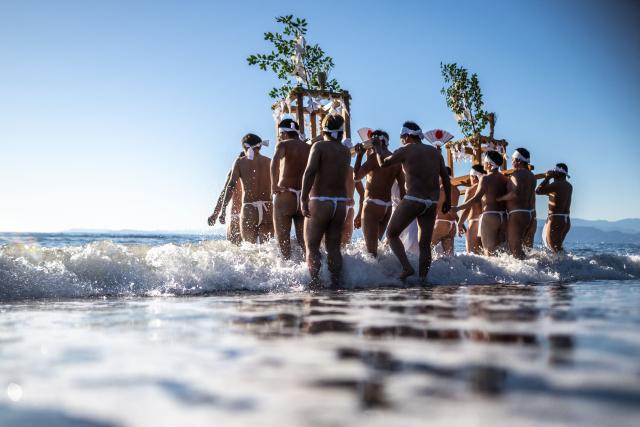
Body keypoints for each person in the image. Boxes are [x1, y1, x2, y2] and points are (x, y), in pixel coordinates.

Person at [373, 121, 451, 281]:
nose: (401, 139)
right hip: (431, 203)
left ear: (407, 136)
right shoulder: (435, 153)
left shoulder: (405, 150)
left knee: (392, 234)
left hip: (413, 199)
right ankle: (423, 280)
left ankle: (407, 267)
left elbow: (383, 163)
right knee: (424, 245)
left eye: (402, 137)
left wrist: (377, 148)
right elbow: (445, 178)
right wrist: (448, 200)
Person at [301, 114, 352, 288]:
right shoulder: (346, 151)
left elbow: (309, 172)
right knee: (334, 248)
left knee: (312, 246)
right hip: (339, 203)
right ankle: (337, 283)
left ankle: (316, 283)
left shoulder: (319, 146)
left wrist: (303, 198)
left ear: (323, 129)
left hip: (321, 200)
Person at [353, 130, 405, 256]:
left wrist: (359, 156)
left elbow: (356, 177)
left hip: (372, 205)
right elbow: (403, 190)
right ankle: (385, 274)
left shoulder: (373, 159)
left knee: (371, 252)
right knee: (377, 246)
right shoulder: (396, 160)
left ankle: (372, 275)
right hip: (387, 208)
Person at [219, 133, 274, 244]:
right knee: (268, 249)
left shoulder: (240, 162)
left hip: (249, 209)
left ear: (245, 146)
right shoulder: (270, 161)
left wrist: (223, 210)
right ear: (260, 146)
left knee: (249, 249)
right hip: (268, 208)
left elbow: (230, 186)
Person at [454, 150, 508, 256]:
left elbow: (476, 199)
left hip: (489, 216)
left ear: (489, 163)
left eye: (484, 161)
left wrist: (457, 208)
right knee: (501, 253)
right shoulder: (505, 179)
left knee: (487, 253)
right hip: (504, 217)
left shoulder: (485, 178)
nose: (483, 163)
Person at [270, 119, 310, 259]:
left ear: (284, 133)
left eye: (280, 134)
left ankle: (287, 274)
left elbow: (274, 162)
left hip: (285, 194)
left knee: (283, 241)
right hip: (303, 197)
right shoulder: (308, 148)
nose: (279, 137)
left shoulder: (283, 144)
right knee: (304, 241)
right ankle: (312, 275)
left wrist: (273, 185)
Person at [498, 148, 537, 259]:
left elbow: (515, 193)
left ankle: (529, 273)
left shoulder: (517, 174)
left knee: (515, 249)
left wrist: (499, 199)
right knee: (523, 248)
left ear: (519, 161)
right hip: (529, 214)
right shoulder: (532, 176)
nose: (512, 162)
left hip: (518, 213)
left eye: (513, 160)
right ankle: (533, 269)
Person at [207, 152, 245, 245]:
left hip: (236, 216)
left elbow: (225, 192)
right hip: (253, 214)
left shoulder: (235, 171)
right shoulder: (256, 171)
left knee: (235, 249)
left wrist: (216, 213)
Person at [536, 163, 573, 252]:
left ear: (558, 173)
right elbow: (547, 192)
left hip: (556, 220)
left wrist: (547, 177)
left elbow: (538, 191)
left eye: (554, 172)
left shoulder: (557, 184)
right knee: (557, 250)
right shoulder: (568, 185)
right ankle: (570, 264)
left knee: (555, 251)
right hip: (565, 220)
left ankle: (569, 265)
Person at [431, 167, 460, 256]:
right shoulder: (456, 190)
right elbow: (453, 209)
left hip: (441, 223)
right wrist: (460, 224)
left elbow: (436, 209)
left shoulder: (441, 189)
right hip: (452, 225)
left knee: (428, 250)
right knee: (450, 258)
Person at [457, 164, 485, 254]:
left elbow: (466, 208)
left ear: (474, 176)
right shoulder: (487, 187)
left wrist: (459, 223)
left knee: (472, 255)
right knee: (485, 255)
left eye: (470, 176)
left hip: (474, 222)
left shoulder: (470, 190)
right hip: (485, 222)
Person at [341, 166, 365, 247]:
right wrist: (360, 213)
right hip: (349, 209)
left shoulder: (330, 166)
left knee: (325, 247)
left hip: (334, 206)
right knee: (344, 248)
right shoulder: (353, 171)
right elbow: (363, 194)